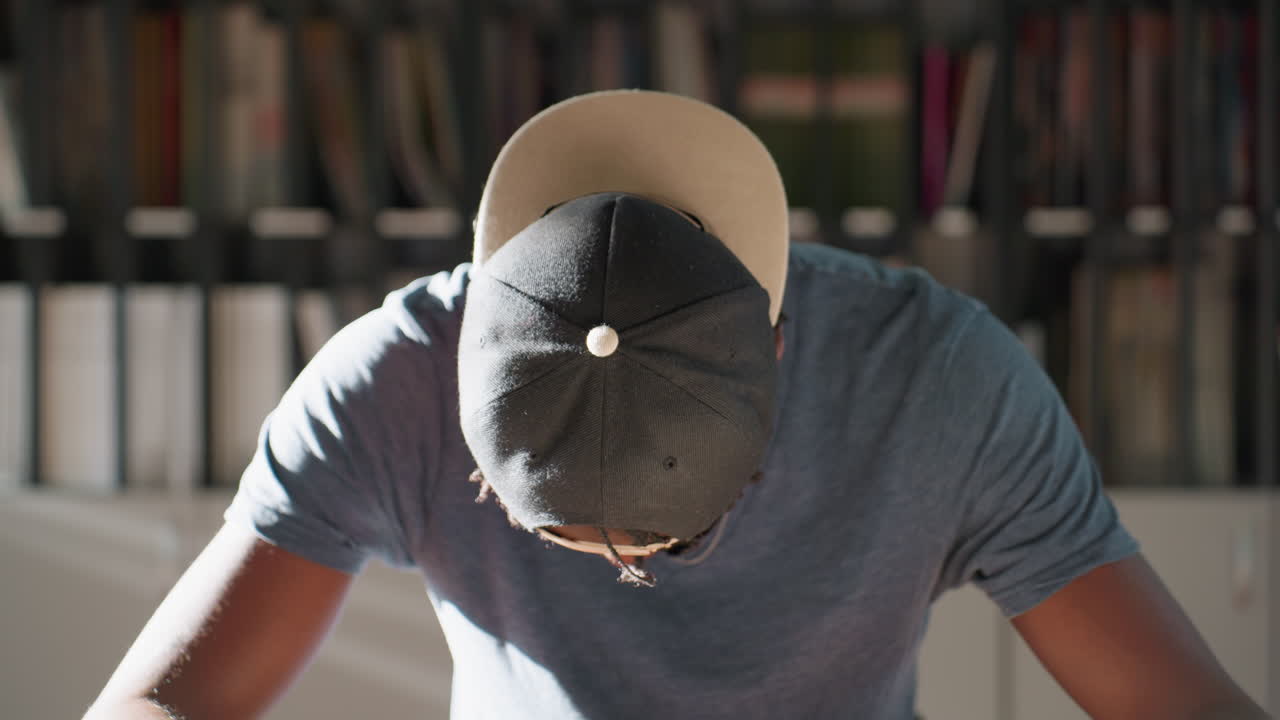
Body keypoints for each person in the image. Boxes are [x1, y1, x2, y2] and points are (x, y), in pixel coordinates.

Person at [85, 90, 1268, 720]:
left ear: (778, 344)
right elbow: (159, 702)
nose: (617, 570)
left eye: (665, 533)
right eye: (563, 531)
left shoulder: (942, 384)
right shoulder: (389, 374)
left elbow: (1182, 706)